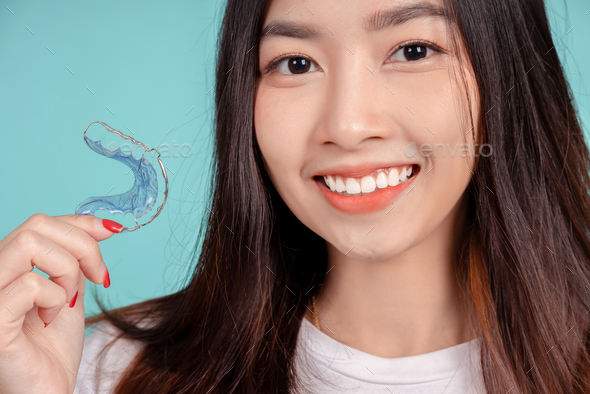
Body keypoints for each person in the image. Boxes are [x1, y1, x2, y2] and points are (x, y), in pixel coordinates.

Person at [1, 0, 589, 392]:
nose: (349, 124)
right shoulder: (105, 373)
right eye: (296, 62)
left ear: (508, 74)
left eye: (413, 50)